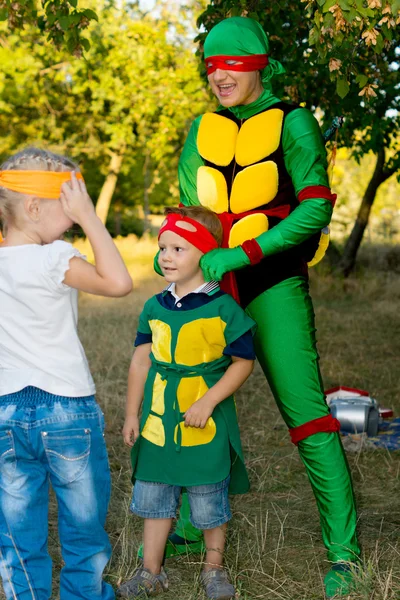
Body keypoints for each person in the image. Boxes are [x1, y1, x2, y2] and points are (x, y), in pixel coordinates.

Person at [158, 17, 361, 599]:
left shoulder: (293, 123)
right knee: (196, 404)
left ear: (259, 65)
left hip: (272, 285)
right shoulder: (202, 129)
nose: (219, 74)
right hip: (210, 290)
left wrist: (242, 252)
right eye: (211, 65)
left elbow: (315, 208)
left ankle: (344, 557)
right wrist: (177, 254)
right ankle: (198, 528)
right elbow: (190, 212)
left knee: (309, 418)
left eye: (232, 64)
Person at [0, 147, 133, 600]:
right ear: (34, 208)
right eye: (68, 200)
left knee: (17, 528)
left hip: (5, 413)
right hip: (66, 412)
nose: (75, 211)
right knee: (83, 526)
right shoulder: (54, 257)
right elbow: (118, 283)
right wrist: (93, 220)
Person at [119, 206, 255, 600]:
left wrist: (209, 401)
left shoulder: (224, 308)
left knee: (208, 497)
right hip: (158, 419)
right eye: (163, 247)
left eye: (179, 248)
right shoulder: (154, 306)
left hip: (203, 420)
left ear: (206, 254)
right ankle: (151, 572)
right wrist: (132, 413)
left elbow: (242, 363)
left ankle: (214, 571)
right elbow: (141, 361)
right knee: (154, 496)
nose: (166, 256)